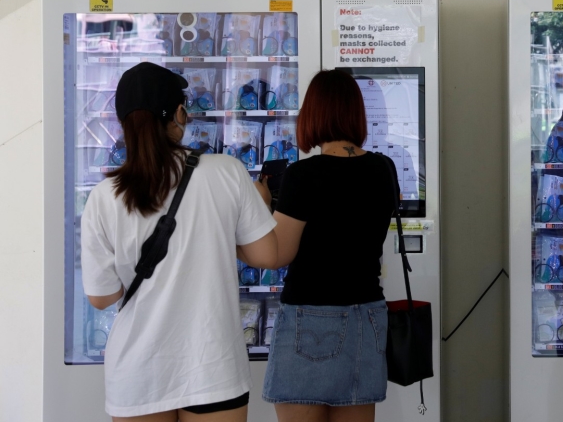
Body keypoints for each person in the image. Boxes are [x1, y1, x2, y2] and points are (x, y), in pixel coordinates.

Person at [81, 62, 280, 421]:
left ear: (124, 124)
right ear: (179, 115)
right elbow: (266, 255)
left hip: (136, 372)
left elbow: (102, 297)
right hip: (213, 367)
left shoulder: (103, 196)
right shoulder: (227, 171)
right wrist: (253, 210)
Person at [261, 69, 396, 422]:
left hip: (310, 319)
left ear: (313, 114)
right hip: (368, 315)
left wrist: (263, 205)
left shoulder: (302, 175)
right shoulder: (385, 168)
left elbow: (278, 254)